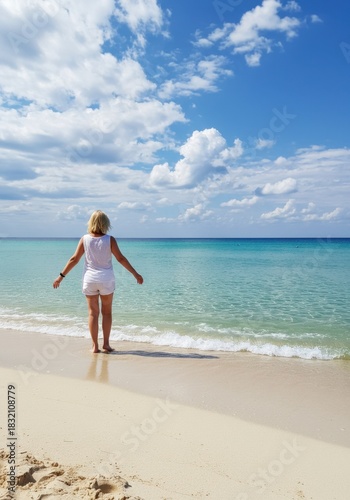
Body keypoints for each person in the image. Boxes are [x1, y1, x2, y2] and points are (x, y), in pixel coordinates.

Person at [53, 210, 143, 353]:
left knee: (92, 313)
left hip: (90, 280)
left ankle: (94, 346)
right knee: (106, 313)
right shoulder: (110, 239)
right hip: (106, 279)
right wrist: (135, 274)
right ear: (105, 223)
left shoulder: (85, 239)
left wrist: (60, 276)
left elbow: (74, 259)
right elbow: (120, 258)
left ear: (91, 222)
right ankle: (106, 345)